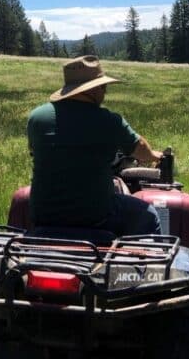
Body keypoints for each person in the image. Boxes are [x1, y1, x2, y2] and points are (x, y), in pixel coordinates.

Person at [27, 55, 162, 236]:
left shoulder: (36, 117)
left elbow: (35, 153)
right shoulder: (109, 120)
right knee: (149, 215)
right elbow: (141, 151)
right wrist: (155, 156)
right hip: (95, 215)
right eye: (103, 87)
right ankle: (146, 262)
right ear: (94, 89)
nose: (105, 92)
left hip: (44, 214)